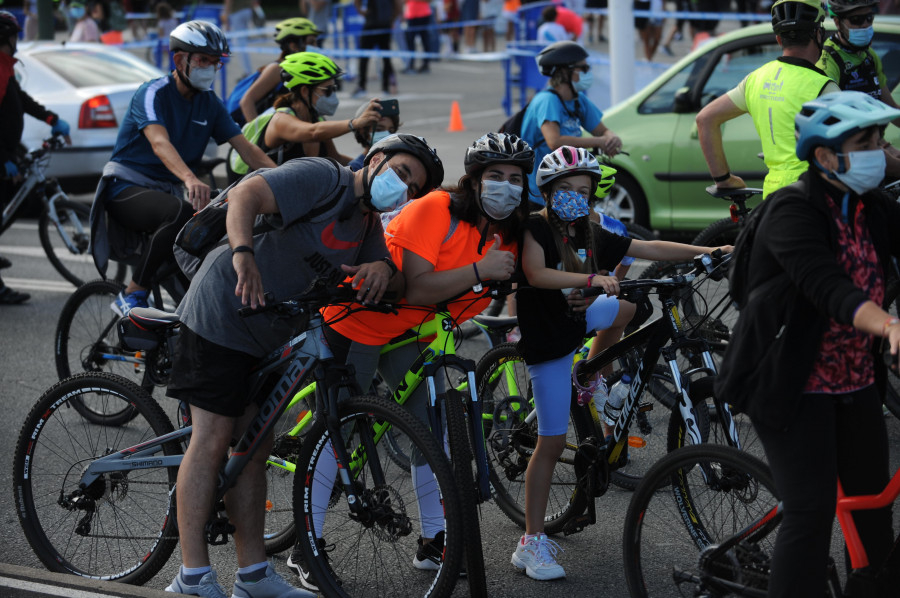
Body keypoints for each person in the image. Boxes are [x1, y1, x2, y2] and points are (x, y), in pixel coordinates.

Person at [165, 134, 443, 598]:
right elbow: (246, 196)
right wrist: (243, 256)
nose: (405, 188)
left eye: (413, 187)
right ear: (375, 160)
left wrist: (385, 272)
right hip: (219, 313)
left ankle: (252, 576)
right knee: (212, 437)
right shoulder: (323, 177)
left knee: (254, 449)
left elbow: (387, 274)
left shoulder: (366, 224)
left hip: (267, 333)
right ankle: (191, 577)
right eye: (401, 172)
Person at [285, 133, 530, 590]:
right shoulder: (434, 208)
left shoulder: (511, 234)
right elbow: (417, 288)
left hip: (406, 331)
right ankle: (306, 546)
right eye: (495, 176)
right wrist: (481, 270)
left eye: (515, 179)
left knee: (428, 429)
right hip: (356, 320)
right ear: (473, 180)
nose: (506, 186)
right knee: (334, 434)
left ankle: (434, 540)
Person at [512, 145, 731, 581]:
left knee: (629, 310)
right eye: (566, 189)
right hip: (549, 343)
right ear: (548, 192)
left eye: (584, 189)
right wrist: (591, 279)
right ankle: (529, 543)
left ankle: (588, 375)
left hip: (577, 320)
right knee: (551, 445)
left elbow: (646, 245)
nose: (576, 196)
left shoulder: (588, 231)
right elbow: (536, 274)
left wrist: (703, 252)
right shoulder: (535, 229)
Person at [717, 90, 899, 598]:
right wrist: (886, 325)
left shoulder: (872, 207)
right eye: (866, 142)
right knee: (811, 515)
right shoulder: (791, 211)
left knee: (873, 512)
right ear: (824, 155)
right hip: (792, 384)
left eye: (881, 140)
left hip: (857, 381)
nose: (879, 151)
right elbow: (827, 287)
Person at [89, 20, 277, 316]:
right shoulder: (152, 94)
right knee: (180, 213)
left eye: (216, 62)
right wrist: (190, 178)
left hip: (168, 189)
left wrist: (284, 179)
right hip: (125, 187)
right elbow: (159, 142)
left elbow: (247, 149)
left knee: (212, 234)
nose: (211, 68)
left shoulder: (210, 103)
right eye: (203, 60)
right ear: (180, 60)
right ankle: (133, 292)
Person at [696, 0, 840, 199]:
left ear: (779, 40)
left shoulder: (754, 79)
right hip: (814, 194)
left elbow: (705, 119)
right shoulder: (824, 87)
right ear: (818, 34)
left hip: (773, 197)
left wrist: (723, 179)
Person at [0, 10, 71, 305]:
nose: (19, 41)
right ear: (6, 37)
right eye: (16, 35)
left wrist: (52, 117)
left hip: (7, 152)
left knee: (14, 203)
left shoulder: (6, 68)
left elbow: (21, 101)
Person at [226, 52, 382, 183]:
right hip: (260, 203)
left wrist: (375, 167)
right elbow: (312, 132)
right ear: (305, 91)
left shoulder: (317, 120)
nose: (333, 96)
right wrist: (355, 123)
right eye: (327, 90)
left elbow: (335, 159)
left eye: (334, 89)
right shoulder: (281, 119)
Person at [520, 40, 622, 205]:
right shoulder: (547, 101)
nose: (588, 73)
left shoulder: (578, 100)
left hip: (566, 187)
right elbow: (555, 142)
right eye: (584, 68)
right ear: (565, 72)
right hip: (539, 195)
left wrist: (611, 138)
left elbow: (601, 131)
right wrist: (599, 142)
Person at [816, 0, 900, 175]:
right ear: (838, 22)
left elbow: (891, 108)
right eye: (856, 19)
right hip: (849, 157)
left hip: (875, 146)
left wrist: (882, 146)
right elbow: (829, 119)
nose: (865, 25)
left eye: (869, 17)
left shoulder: (870, 57)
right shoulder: (828, 61)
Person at [238, 18, 324, 125]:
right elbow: (246, 102)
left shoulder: (305, 69)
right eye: (311, 42)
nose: (315, 47)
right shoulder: (277, 69)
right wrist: (256, 134)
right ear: (294, 45)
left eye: (316, 42)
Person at [353, 0, 401, 97]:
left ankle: (365, 86)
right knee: (382, 58)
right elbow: (398, 5)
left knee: (368, 58)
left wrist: (391, 18)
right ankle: (383, 87)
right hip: (379, 25)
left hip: (376, 25)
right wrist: (391, 19)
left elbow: (398, 5)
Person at [348, 98, 400, 171]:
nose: (387, 135)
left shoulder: (396, 164)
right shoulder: (356, 167)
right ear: (362, 131)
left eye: (391, 131)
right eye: (379, 129)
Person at [223, 0, 256, 77]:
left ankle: (247, 71)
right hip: (247, 10)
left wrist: (226, 16)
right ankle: (247, 70)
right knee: (242, 41)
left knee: (241, 44)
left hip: (237, 12)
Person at [402, 0, 435, 73]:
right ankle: (411, 64)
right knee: (410, 40)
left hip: (423, 15)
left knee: (425, 40)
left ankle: (426, 64)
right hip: (411, 15)